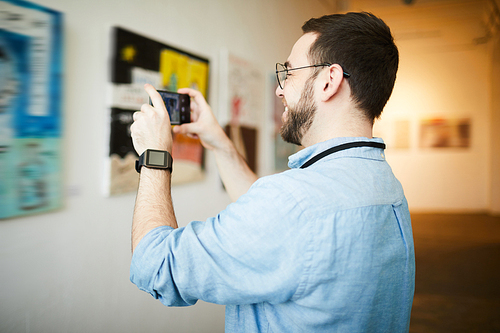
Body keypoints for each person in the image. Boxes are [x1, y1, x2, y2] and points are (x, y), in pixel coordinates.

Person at [130, 12, 415, 333]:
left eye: (289, 73)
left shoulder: (293, 204)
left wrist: (155, 154)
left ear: (329, 81)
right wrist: (218, 141)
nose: (280, 90)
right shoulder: (385, 185)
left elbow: (154, 265)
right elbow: (271, 222)